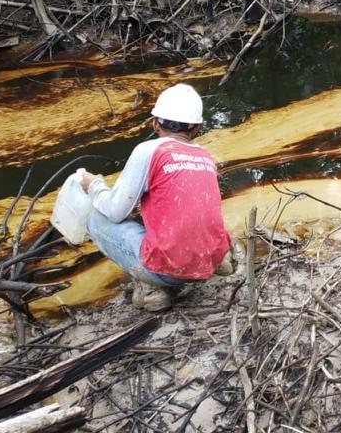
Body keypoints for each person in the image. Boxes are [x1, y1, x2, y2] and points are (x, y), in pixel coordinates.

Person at [80, 83, 233, 312]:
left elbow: (114, 210)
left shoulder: (149, 150)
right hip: (207, 264)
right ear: (197, 128)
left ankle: (151, 289)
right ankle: (221, 259)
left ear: (154, 123)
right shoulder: (205, 155)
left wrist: (95, 186)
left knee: (95, 219)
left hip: (170, 271)